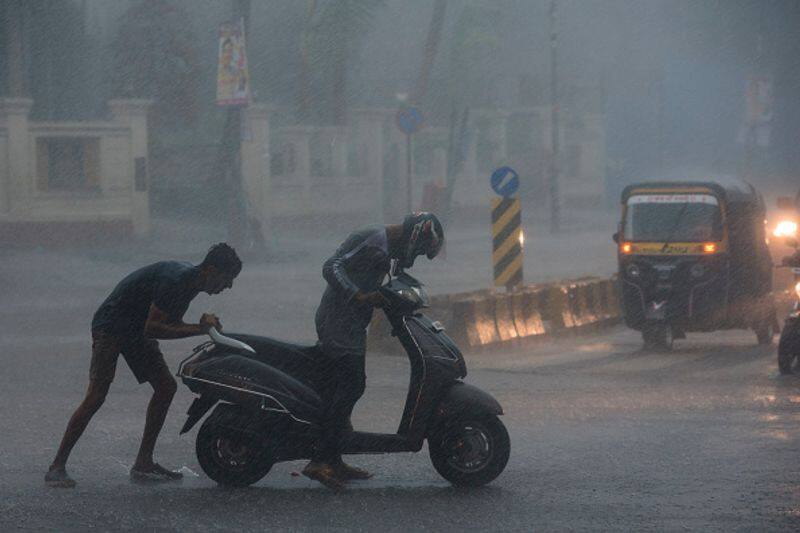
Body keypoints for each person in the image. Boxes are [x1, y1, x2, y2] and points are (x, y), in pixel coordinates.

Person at [45, 243, 242, 488]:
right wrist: (200, 329)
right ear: (211, 270)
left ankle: (143, 463)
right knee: (96, 395)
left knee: (166, 387)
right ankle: (57, 466)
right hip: (111, 326)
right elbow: (155, 328)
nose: (228, 286)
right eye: (227, 278)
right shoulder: (177, 280)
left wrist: (200, 328)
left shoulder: (191, 285)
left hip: (136, 329)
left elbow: (169, 323)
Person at [303, 213, 444, 489]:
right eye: (418, 251)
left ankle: (334, 459)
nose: (413, 257)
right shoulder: (373, 239)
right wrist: (358, 295)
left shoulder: (387, 248)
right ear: (414, 239)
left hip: (351, 324)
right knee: (352, 385)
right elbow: (331, 267)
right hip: (337, 321)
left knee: (345, 388)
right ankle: (320, 460)